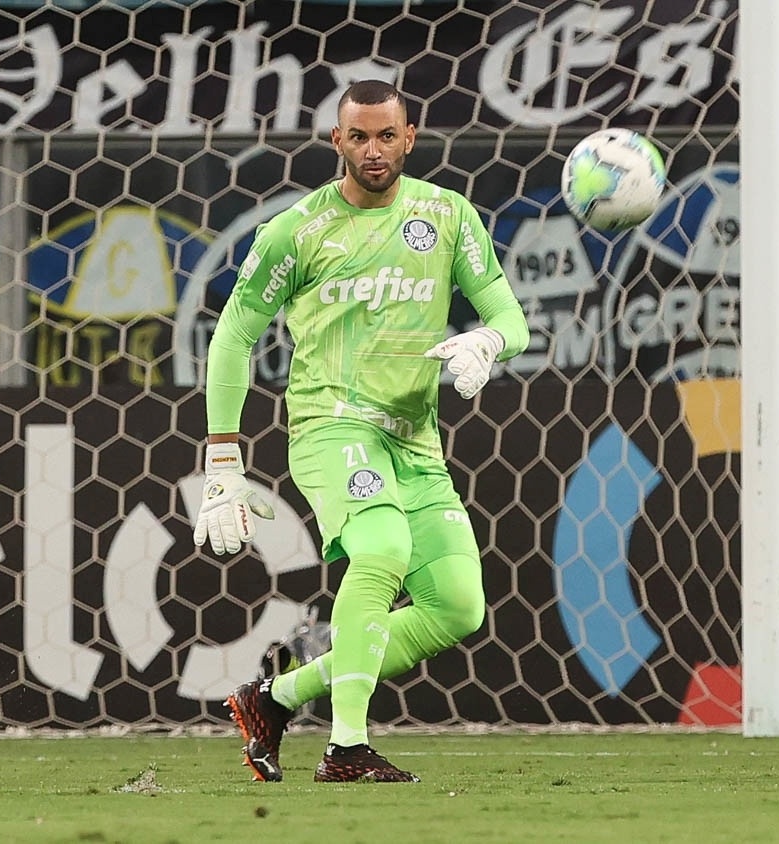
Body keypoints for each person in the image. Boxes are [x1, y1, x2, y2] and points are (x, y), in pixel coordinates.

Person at [193, 80, 530, 783]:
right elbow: (232, 336)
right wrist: (223, 462)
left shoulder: (447, 215)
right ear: (335, 142)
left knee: (455, 608)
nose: (372, 151)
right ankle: (346, 747)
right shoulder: (297, 230)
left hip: (413, 436)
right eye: (358, 137)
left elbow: (509, 316)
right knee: (380, 549)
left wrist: (486, 343)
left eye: (386, 136)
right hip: (330, 423)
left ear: (409, 138)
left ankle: (276, 697)